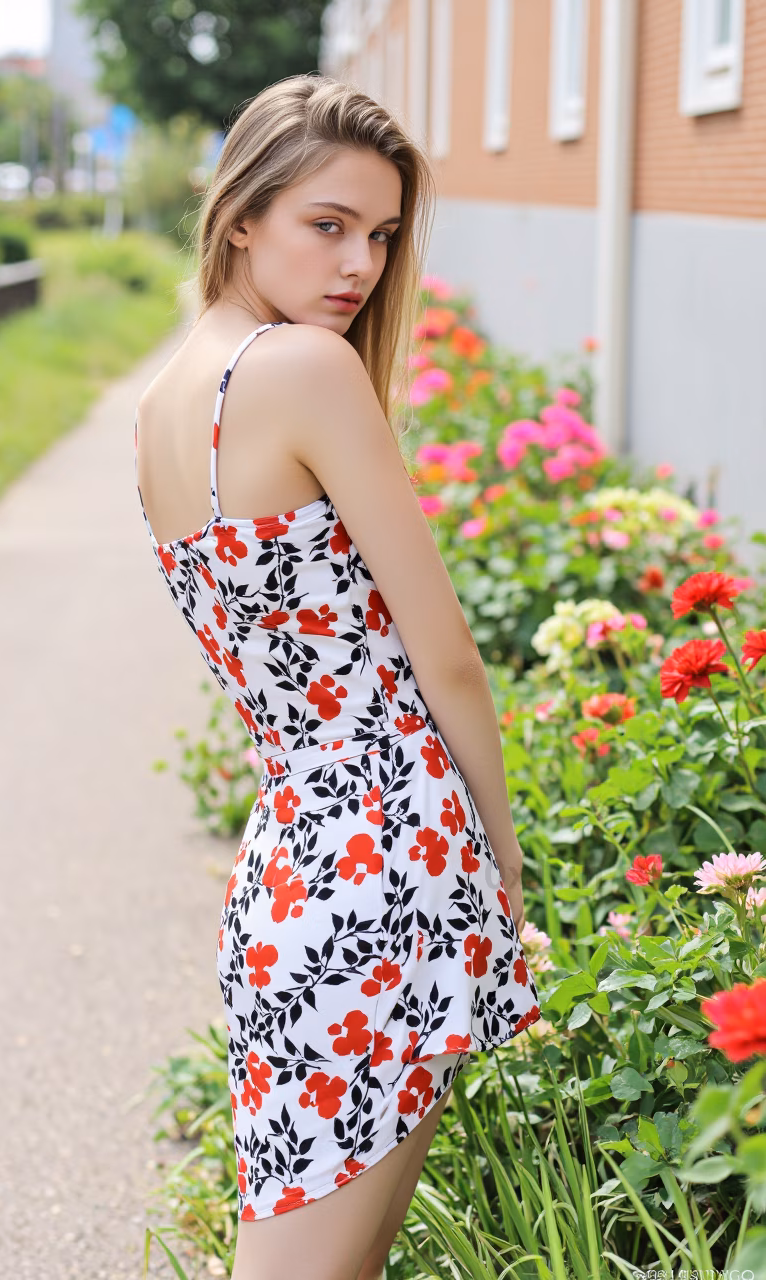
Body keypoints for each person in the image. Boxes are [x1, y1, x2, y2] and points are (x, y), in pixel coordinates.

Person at [134, 73, 540, 1280]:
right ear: (243, 213)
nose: (360, 261)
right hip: (389, 856)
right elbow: (447, 657)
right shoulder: (305, 368)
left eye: (380, 232)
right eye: (328, 224)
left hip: (292, 871)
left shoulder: (164, 401)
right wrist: (500, 860)